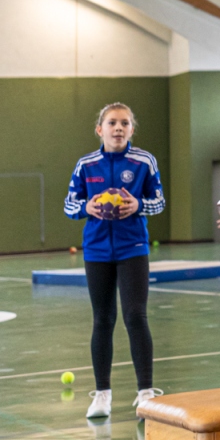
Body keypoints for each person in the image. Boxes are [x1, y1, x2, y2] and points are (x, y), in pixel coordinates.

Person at [64, 103, 166, 418]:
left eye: (124, 123)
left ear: (131, 130)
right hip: (96, 251)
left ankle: (146, 393)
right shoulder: (86, 165)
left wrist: (138, 205)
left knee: (136, 316)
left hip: (133, 248)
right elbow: (69, 205)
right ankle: (102, 396)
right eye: (112, 123)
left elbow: (159, 202)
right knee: (103, 319)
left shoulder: (144, 162)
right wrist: (87, 208)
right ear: (100, 129)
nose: (118, 128)